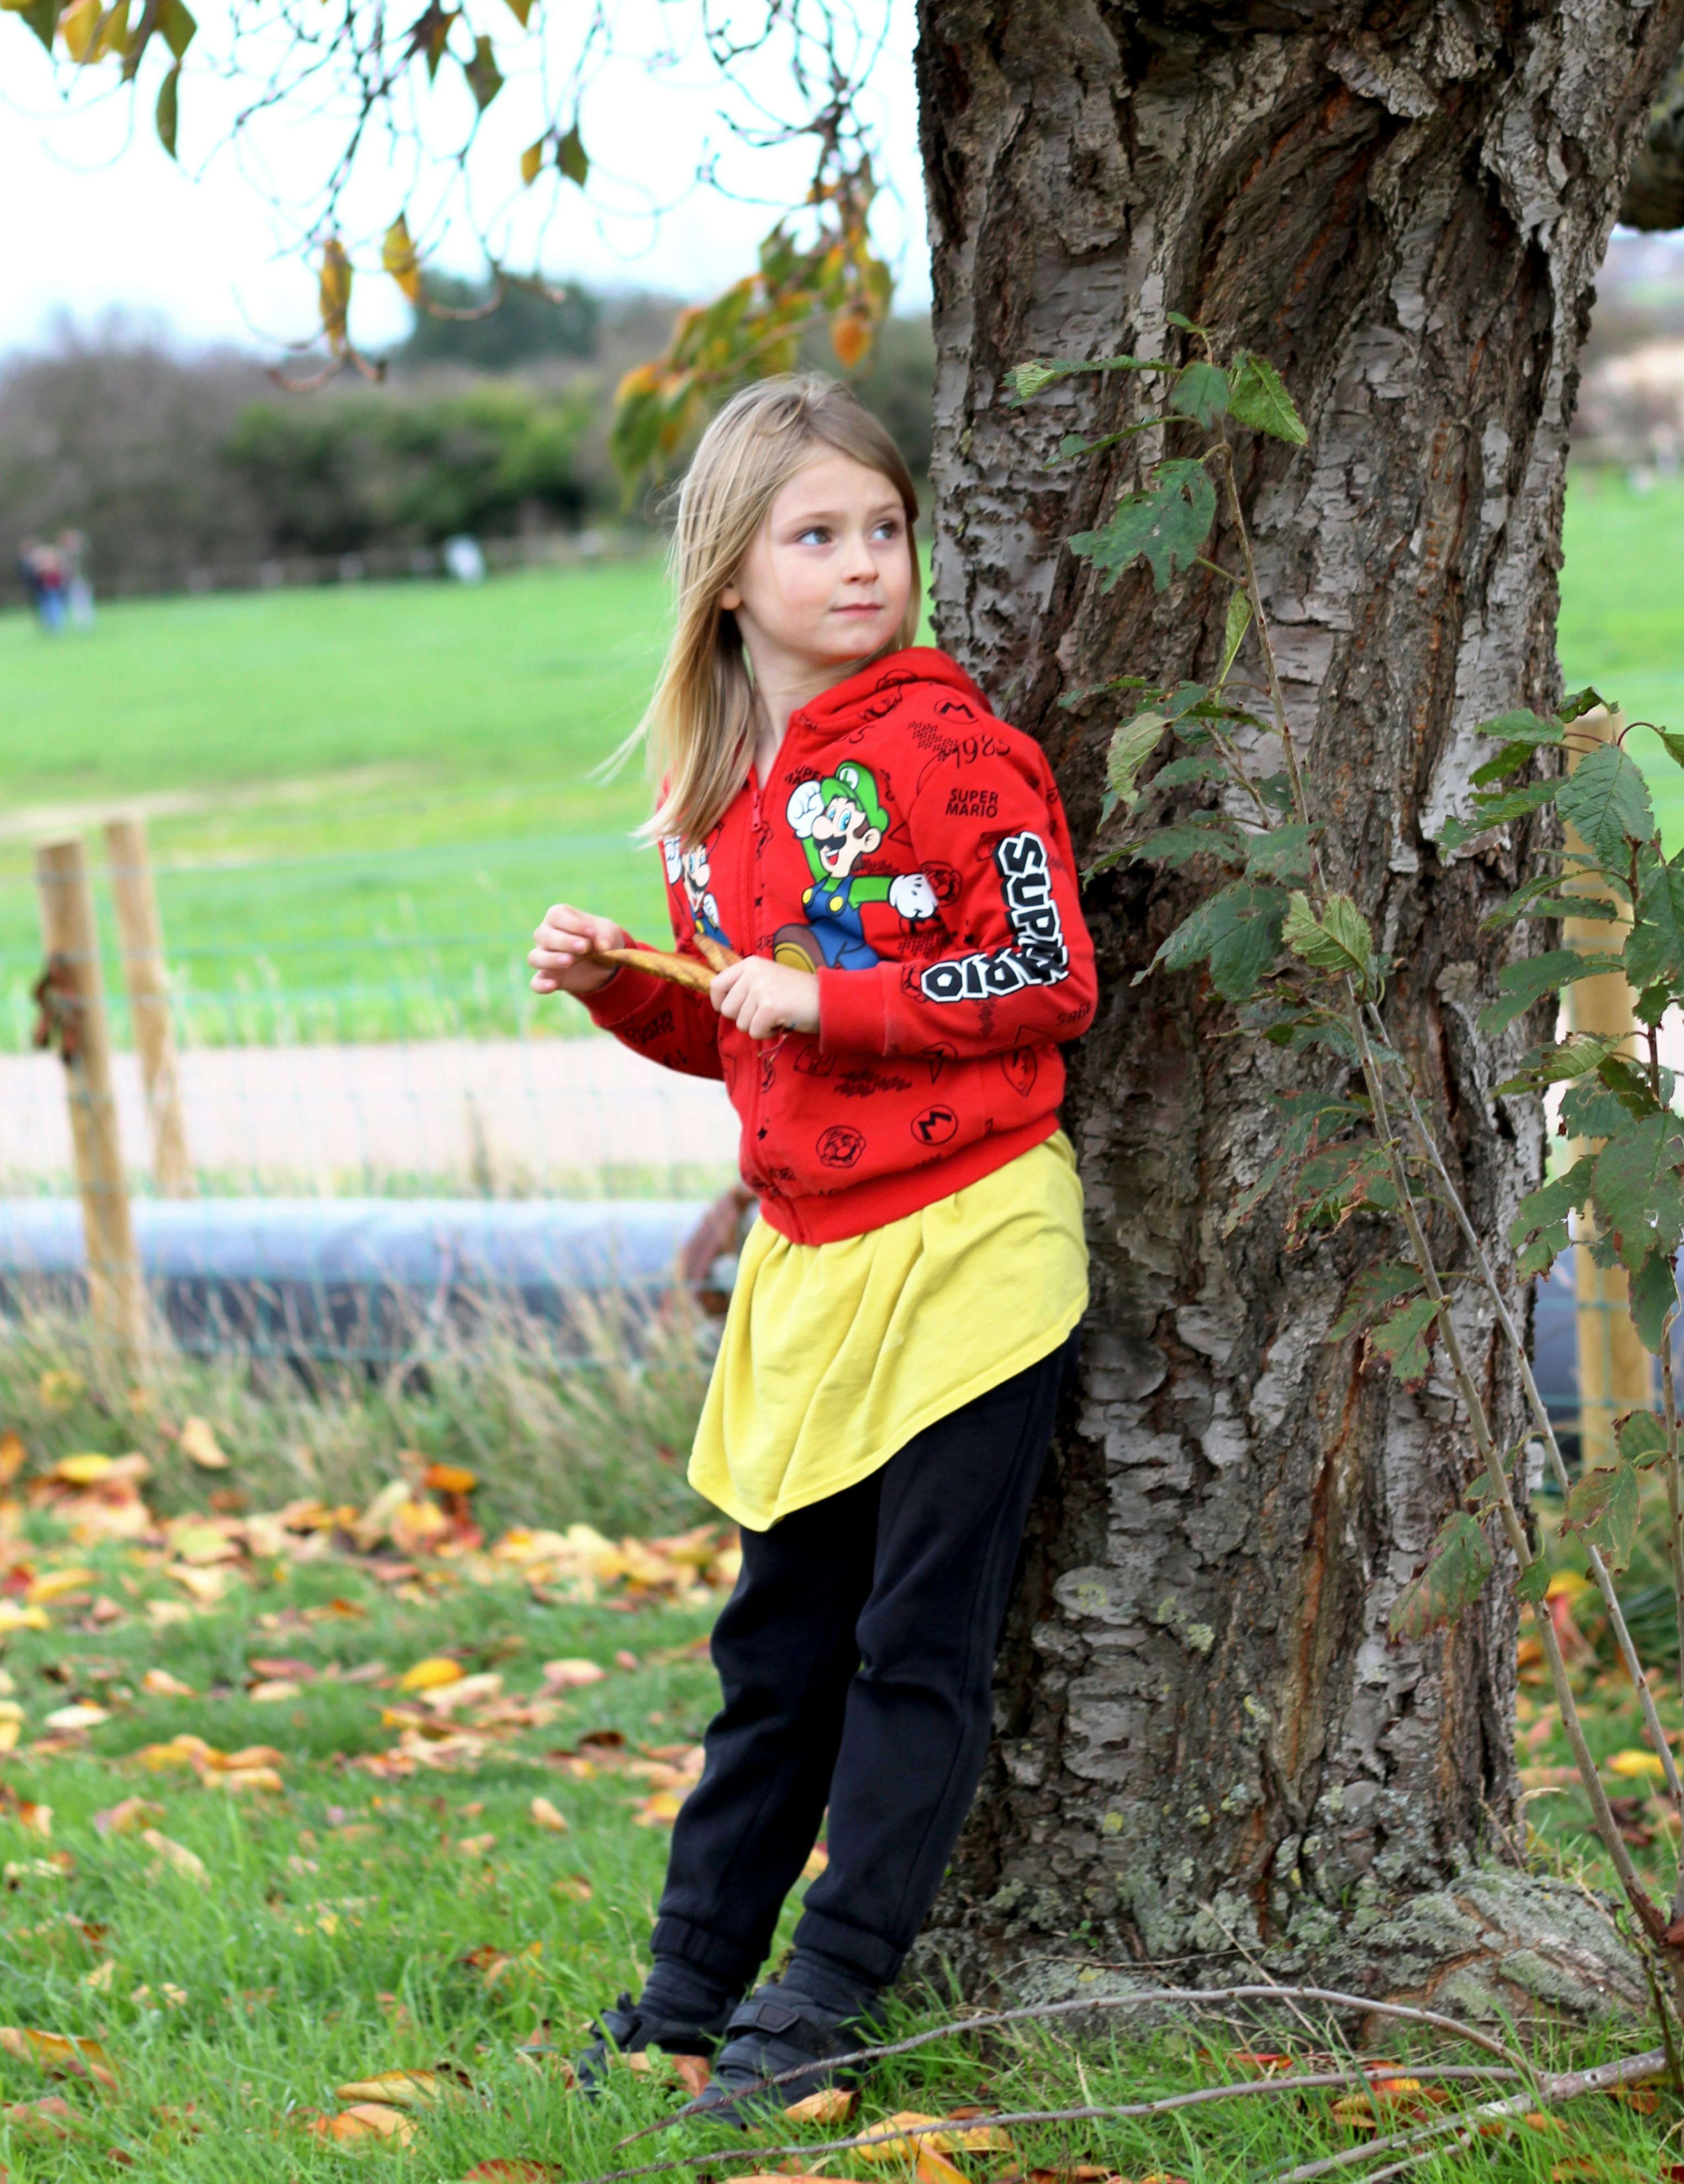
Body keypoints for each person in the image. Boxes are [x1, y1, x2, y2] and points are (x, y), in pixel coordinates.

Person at [528, 376, 1097, 2125]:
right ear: (728, 574)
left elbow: (1049, 974)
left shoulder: (952, 750)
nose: (866, 567)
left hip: (976, 1244)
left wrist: (837, 991)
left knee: (912, 1646)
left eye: (883, 530)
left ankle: (825, 2001)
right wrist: (638, 986)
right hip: (812, 1262)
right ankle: (684, 1996)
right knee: (775, 1651)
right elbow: (749, 1038)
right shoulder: (719, 806)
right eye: (818, 535)